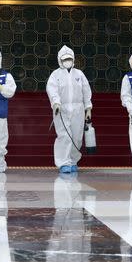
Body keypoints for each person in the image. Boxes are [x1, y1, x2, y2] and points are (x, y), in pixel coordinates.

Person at [47, 45, 92, 173]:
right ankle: (63, 163)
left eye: (69, 59)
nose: (67, 61)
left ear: (73, 59)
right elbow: (52, 89)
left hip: (78, 109)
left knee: (77, 137)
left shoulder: (79, 74)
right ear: (59, 60)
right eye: (64, 59)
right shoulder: (55, 75)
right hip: (61, 109)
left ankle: (73, 161)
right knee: (64, 136)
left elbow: (86, 91)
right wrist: (56, 103)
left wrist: (88, 108)